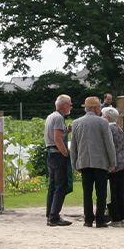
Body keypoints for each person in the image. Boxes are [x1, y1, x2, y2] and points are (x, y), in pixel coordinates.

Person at [70, 97, 117, 228]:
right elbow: (109, 143)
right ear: (96, 108)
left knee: (87, 192)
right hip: (100, 162)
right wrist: (112, 162)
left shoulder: (76, 123)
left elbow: (73, 145)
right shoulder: (103, 122)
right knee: (101, 192)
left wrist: (74, 163)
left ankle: (88, 219)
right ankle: (100, 219)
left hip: (84, 161)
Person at [44, 95, 73, 227]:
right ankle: (54, 216)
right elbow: (57, 138)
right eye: (70, 104)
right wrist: (65, 153)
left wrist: (67, 131)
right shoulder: (59, 118)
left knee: (53, 185)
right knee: (60, 186)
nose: (71, 107)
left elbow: (55, 135)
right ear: (64, 105)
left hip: (50, 154)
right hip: (57, 154)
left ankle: (50, 214)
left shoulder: (51, 116)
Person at [103, 107, 124, 227]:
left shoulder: (108, 128)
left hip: (115, 164)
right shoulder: (119, 127)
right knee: (121, 191)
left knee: (111, 192)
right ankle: (122, 217)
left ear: (107, 117)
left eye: (103, 115)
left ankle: (115, 218)